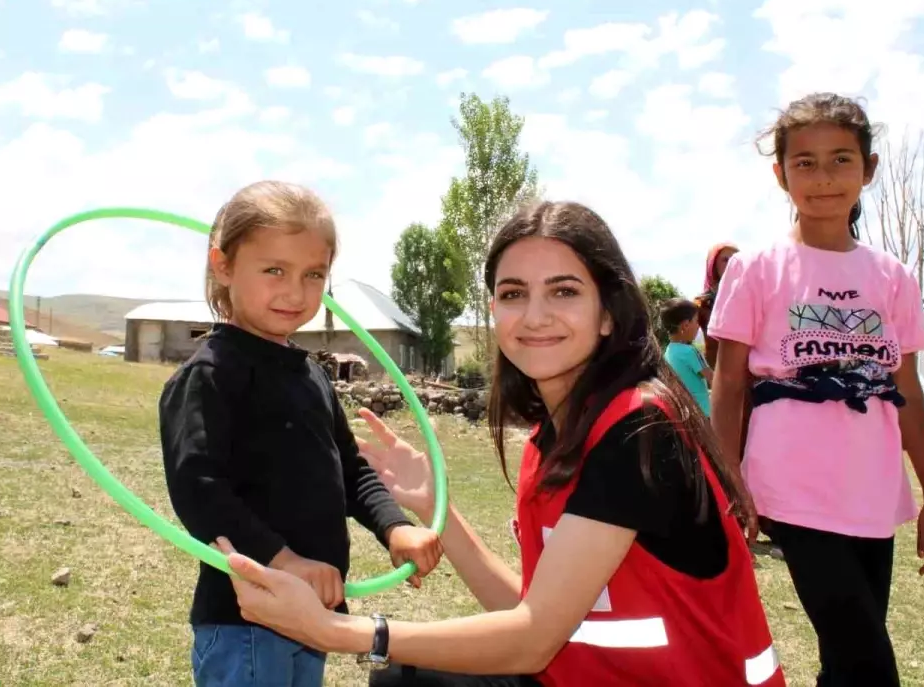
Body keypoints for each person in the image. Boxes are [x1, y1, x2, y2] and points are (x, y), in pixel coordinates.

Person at [215, 199, 786, 687]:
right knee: (408, 678)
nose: (534, 316)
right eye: (513, 294)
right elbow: (530, 611)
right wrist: (438, 508)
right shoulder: (555, 437)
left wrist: (337, 631)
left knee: (402, 671)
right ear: (493, 309)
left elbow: (532, 640)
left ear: (608, 312)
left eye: (563, 291)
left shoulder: (638, 428)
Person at [707, 92, 924, 687]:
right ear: (780, 173)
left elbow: (910, 394)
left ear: (868, 169)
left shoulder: (892, 277)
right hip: (789, 487)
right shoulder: (757, 268)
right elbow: (730, 379)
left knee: (845, 662)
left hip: (872, 494)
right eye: (806, 162)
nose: (823, 177)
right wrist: (728, 476)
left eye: (841, 160)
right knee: (869, 664)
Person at [157, 180, 443, 687]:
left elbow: (352, 470)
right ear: (223, 265)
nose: (295, 292)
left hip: (312, 617)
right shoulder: (211, 375)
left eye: (314, 274)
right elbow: (198, 490)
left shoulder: (309, 374)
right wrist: (284, 561)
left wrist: (395, 527)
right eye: (274, 270)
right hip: (248, 618)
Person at [660, 297, 712, 417]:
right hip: (703, 414)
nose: (698, 326)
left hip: (685, 414)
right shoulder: (691, 352)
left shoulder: (668, 352)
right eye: (696, 321)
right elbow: (713, 379)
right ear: (685, 326)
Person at [696, 242, 738, 369]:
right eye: (725, 260)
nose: (732, 264)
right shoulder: (702, 304)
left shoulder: (751, 297)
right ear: (713, 266)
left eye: (735, 259)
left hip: (748, 371)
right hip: (717, 371)